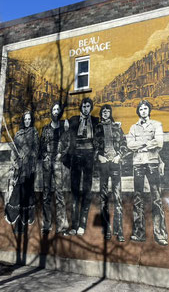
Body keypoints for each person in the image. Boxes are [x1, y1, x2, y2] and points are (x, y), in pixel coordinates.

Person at [127, 100, 168, 246]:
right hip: (137, 163)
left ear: (149, 110)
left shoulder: (157, 124)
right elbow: (129, 144)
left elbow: (159, 142)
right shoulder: (133, 127)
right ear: (138, 111)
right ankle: (139, 233)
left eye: (146, 108)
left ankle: (160, 234)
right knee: (138, 197)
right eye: (141, 109)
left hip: (152, 163)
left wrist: (142, 147)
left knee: (156, 197)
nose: (143, 111)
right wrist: (145, 145)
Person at [94, 104, 127, 242]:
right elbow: (93, 145)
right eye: (104, 111)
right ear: (101, 114)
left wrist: (119, 155)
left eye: (108, 111)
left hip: (115, 163)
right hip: (103, 164)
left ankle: (119, 230)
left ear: (110, 113)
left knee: (118, 197)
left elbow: (125, 144)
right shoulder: (97, 128)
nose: (106, 113)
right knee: (104, 198)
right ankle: (106, 229)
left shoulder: (117, 127)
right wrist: (98, 156)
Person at [67, 97, 98, 236]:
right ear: (81, 107)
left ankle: (82, 224)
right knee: (74, 190)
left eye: (88, 106)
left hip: (89, 157)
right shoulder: (74, 120)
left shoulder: (96, 121)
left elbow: (110, 125)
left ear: (91, 108)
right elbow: (63, 126)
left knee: (87, 189)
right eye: (84, 106)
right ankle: (74, 225)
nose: (86, 109)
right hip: (76, 156)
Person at [5, 111, 39, 226]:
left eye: (29, 119)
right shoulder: (18, 134)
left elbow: (36, 149)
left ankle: (27, 216)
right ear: (23, 121)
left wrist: (27, 154)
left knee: (28, 190)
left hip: (29, 167)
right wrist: (16, 163)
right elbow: (14, 152)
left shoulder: (34, 132)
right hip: (19, 167)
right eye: (25, 119)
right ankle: (12, 214)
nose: (27, 121)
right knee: (17, 189)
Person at [40, 102, 70, 234]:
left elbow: (67, 144)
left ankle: (61, 226)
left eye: (58, 109)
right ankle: (47, 225)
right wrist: (45, 156)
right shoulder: (46, 129)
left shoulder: (64, 128)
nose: (56, 111)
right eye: (54, 109)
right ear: (51, 112)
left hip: (58, 163)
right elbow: (41, 145)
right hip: (47, 163)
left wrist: (60, 154)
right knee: (46, 194)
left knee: (59, 194)